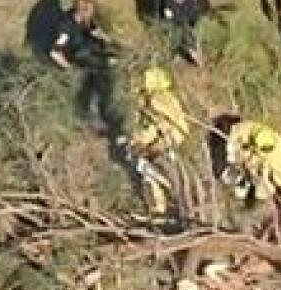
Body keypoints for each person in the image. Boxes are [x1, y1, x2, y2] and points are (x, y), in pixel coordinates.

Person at [118, 67, 190, 217]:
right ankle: (162, 205)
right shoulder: (168, 96)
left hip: (167, 138)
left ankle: (165, 201)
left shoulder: (155, 100)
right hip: (175, 136)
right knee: (147, 166)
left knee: (143, 164)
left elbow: (159, 124)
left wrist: (139, 141)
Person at [223, 119, 281, 238]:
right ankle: (254, 197)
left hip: (264, 162)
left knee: (274, 185)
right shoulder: (242, 131)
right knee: (251, 183)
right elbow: (233, 151)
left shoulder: (276, 154)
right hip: (249, 160)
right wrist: (241, 160)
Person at [49, 1, 119, 131]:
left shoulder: (84, 19)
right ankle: (93, 115)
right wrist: (70, 68)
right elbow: (55, 52)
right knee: (96, 77)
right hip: (78, 57)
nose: (91, 16)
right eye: (89, 13)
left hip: (89, 50)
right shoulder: (66, 27)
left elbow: (95, 31)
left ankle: (107, 105)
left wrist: (111, 42)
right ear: (81, 11)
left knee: (110, 59)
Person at [159, 0, 209, 65]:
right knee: (179, 31)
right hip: (173, 25)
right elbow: (171, 19)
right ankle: (188, 50)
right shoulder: (167, 3)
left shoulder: (190, 2)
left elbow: (193, 15)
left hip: (187, 24)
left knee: (193, 27)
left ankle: (195, 49)